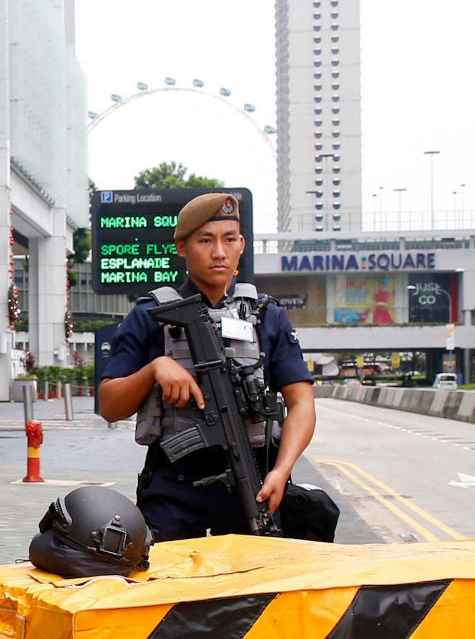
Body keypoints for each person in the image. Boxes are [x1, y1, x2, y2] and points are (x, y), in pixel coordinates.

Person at [95, 192, 316, 542]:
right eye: (205, 241)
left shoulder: (266, 316)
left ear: (241, 244)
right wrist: (155, 368)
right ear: (182, 247)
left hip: (257, 482)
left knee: (254, 590)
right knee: (168, 587)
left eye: (229, 240)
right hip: (176, 487)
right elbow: (109, 406)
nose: (219, 252)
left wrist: (282, 470)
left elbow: (302, 402)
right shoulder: (151, 315)